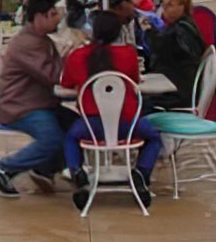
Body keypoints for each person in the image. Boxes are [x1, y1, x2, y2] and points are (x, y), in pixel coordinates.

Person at [61, 12, 160, 210]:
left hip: (91, 126)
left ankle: (78, 174)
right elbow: (136, 81)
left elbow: (66, 84)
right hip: (129, 124)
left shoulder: (77, 55)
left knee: (71, 138)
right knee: (154, 137)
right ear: (119, 32)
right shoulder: (129, 54)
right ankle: (140, 173)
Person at [0, 0, 78, 198]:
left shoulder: (40, 40)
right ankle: (5, 168)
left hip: (41, 103)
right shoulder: (29, 44)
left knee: (79, 127)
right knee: (52, 139)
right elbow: (53, 76)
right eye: (53, 14)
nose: (57, 19)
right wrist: (68, 57)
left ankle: (44, 169)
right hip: (21, 107)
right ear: (39, 17)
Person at [143, 0, 206, 111]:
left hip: (181, 91)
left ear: (183, 6)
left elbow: (163, 47)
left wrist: (149, 32)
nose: (165, 8)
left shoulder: (183, 30)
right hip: (179, 85)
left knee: (142, 103)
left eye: (170, 5)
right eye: (163, 4)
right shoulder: (182, 26)